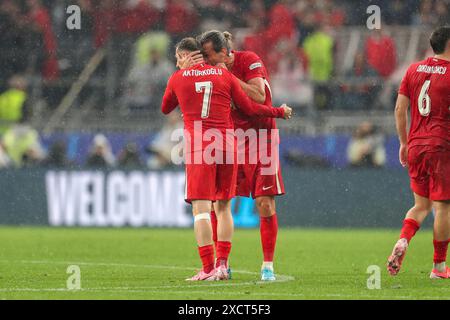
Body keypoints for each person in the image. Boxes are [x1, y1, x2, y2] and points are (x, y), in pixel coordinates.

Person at [161, 37, 291, 281]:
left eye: (210, 54)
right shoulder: (222, 75)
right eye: (204, 55)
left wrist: (182, 74)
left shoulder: (241, 63)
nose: (208, 59)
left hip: (213, 145)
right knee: (222, 206)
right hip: (230, 145)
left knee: (203, 208)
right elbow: (251, 107)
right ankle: (222, 265)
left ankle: (211, 267)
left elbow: (165, 107)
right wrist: (279, 112)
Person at [387, 26, 450, 279]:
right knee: (443, 207)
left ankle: (404, 239)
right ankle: (439, 267)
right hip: (441, 146)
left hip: (416, 145)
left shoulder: (413, 70)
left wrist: (404, 142)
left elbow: (400, 109)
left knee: (420, 205)